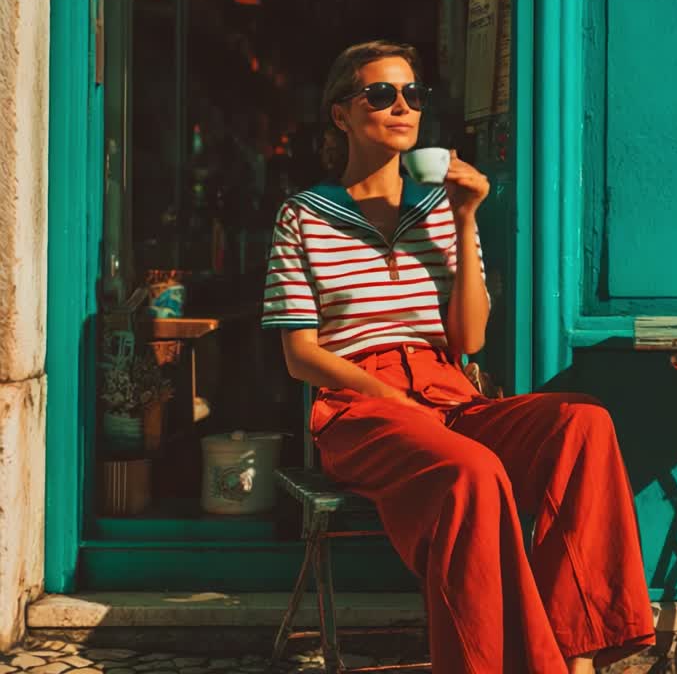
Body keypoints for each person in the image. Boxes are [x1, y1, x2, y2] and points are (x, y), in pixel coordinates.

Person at [262, 40, 655, 674]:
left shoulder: (439, 211)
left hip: (450, 393)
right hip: (361, 406)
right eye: (381, 93)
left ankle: (577, 659)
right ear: (340, 114)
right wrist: (384, 394)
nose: (401, 107)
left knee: (584, 424)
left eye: (412, 95)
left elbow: (469, 340)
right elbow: (300, 355)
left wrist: (469, 218)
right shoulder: (303, 217)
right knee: (472, 472)